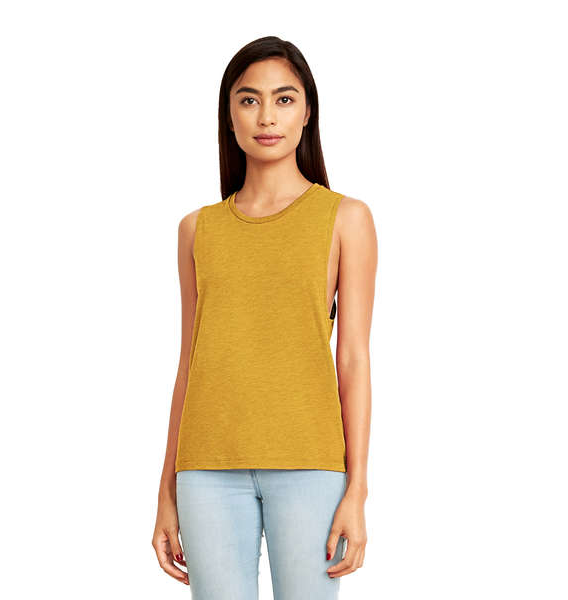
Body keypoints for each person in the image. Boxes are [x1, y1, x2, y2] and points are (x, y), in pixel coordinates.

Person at [152, 35, 378, 599]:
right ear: (229, 115)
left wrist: (357, 490)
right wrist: (166, 491)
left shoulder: (345, 219)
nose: (267, 116)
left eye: (284, 99)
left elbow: (353, 359)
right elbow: (189, 364)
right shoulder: (197, 230)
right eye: (249, 100)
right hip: (206, 469)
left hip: (310, 466)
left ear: (307, 112)